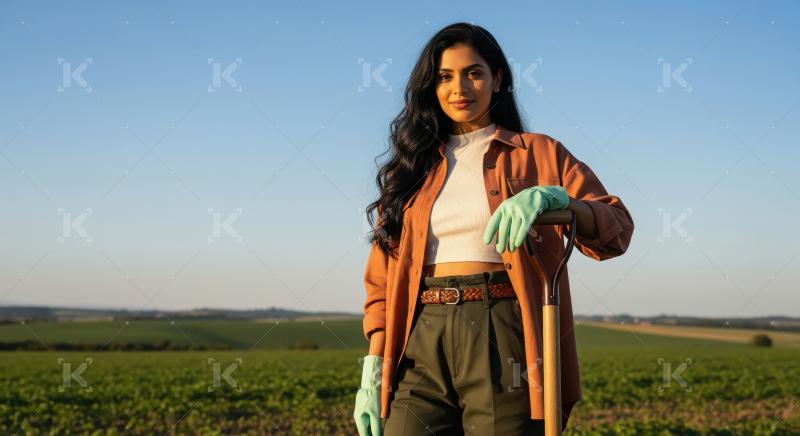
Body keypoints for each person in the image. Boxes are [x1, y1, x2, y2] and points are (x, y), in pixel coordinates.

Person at [354, 22, 634, 436]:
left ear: (497, 78)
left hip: (501, 328)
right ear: (431, 86)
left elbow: (617, 228)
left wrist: (560, 199)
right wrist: (375, 366)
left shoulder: (539, 152)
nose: (459, 88)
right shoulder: (410, 168)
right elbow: (382, 278)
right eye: (445, 77)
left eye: (474, 72)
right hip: (419, 333)